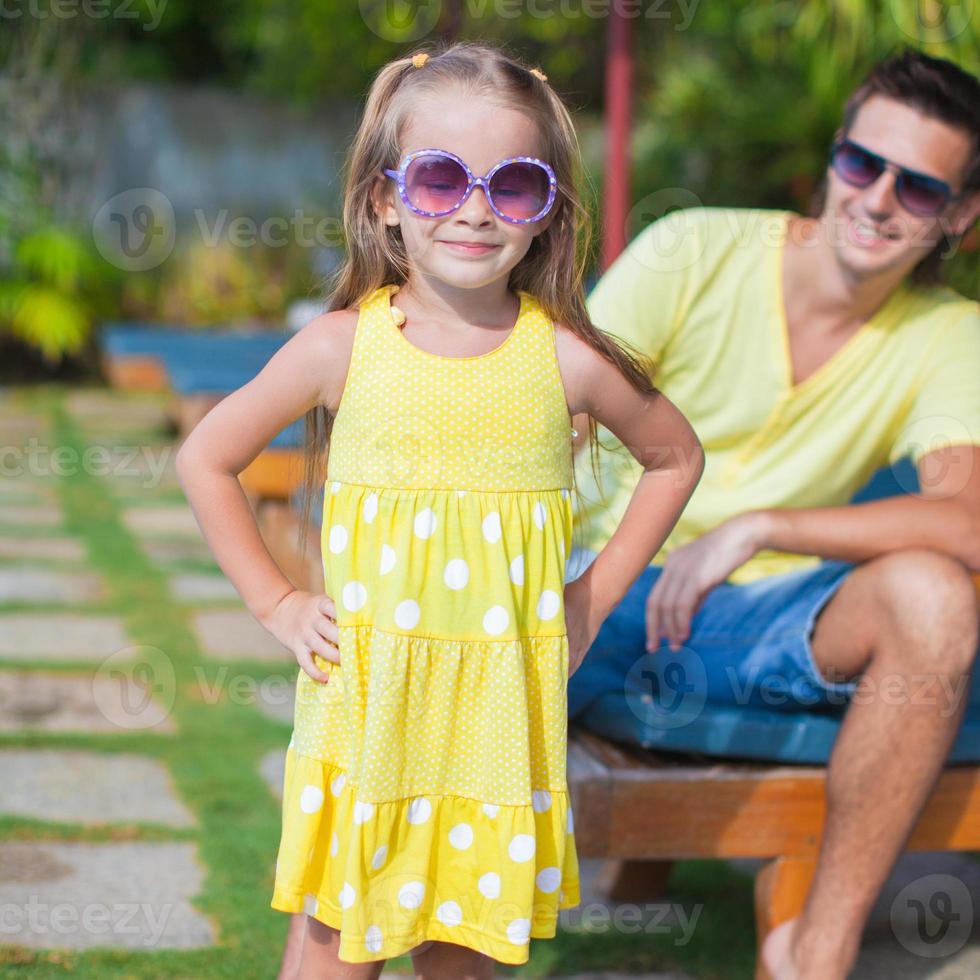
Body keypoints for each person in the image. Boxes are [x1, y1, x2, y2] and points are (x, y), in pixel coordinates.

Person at [176, 42, 703, 979]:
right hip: (368, 711)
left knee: (462, 961)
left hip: (500, 726)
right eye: (438, 177)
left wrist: (593, 596)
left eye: (512, 184)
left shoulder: (568, 361)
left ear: (546, 214)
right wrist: (278, 603)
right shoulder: (341, 347)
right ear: (385, 196)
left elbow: (674, 458)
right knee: (333, 951)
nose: (472, 209)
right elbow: (207, 458)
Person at [566, 48, 980, 980]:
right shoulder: (694, 249)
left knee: (937, 599)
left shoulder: (950, 333)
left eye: (918, 189)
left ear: (958, 216)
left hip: (754, 619)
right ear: (833, 160)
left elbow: (968, 522)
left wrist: (760, 526)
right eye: (862, 164)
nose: (877, 199)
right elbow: (560, 413)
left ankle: (813, 955)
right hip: (592, 584)